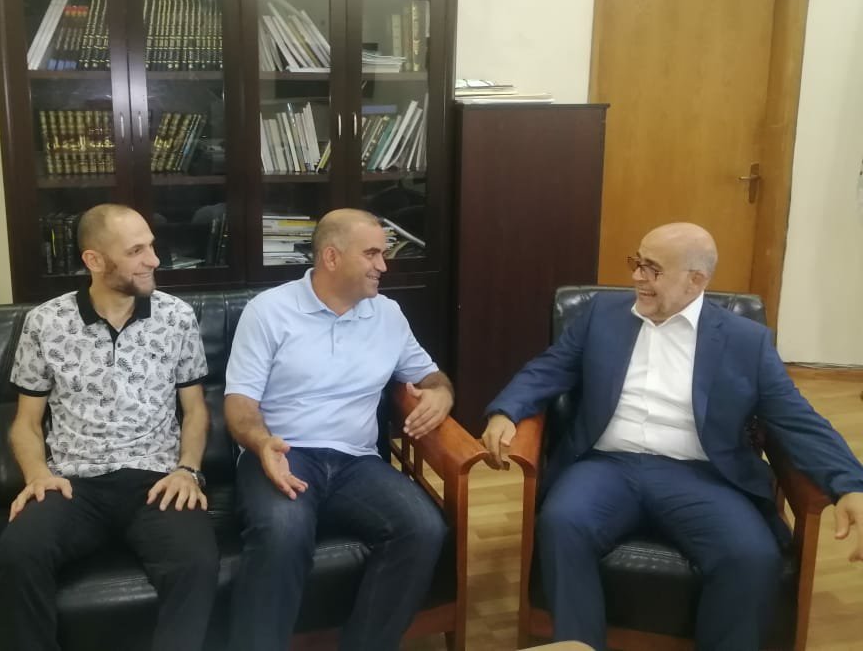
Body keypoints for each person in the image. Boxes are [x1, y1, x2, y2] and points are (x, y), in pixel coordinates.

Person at [481, 222, 863, 651]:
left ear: (695, 280)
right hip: (606, 466)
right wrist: (506, 411)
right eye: (637, 262)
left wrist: (850, 485)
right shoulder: (601, 316)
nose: (636, 277)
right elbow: (548, 369)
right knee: (563, 523)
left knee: (750, 556)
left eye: (653, 269)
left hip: (701, 476)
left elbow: (797, 419)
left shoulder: (746, 342)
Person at [0, 204, 218, 651]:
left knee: (197, 562)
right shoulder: (46, 323)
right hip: (73, 484)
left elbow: (195, 410)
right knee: (17, 556)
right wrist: (38, 475)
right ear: (94, 260)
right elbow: (26, 423)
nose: (153, 260)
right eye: (136, 251)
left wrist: (188, 470)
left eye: (151, 246)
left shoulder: (176, 317)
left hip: (156, 480)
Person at [224, 208, 453, 651]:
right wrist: (262, 443)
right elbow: (240, 404)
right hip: (283, 452)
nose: (383, 265)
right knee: (283, 532)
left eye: (383, 254)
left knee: (423, 528)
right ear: (331, 257)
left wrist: (442, 393)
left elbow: (430, 376)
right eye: (372, 254)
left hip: (357, 463)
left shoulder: (387, 314)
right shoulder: (269, 311)